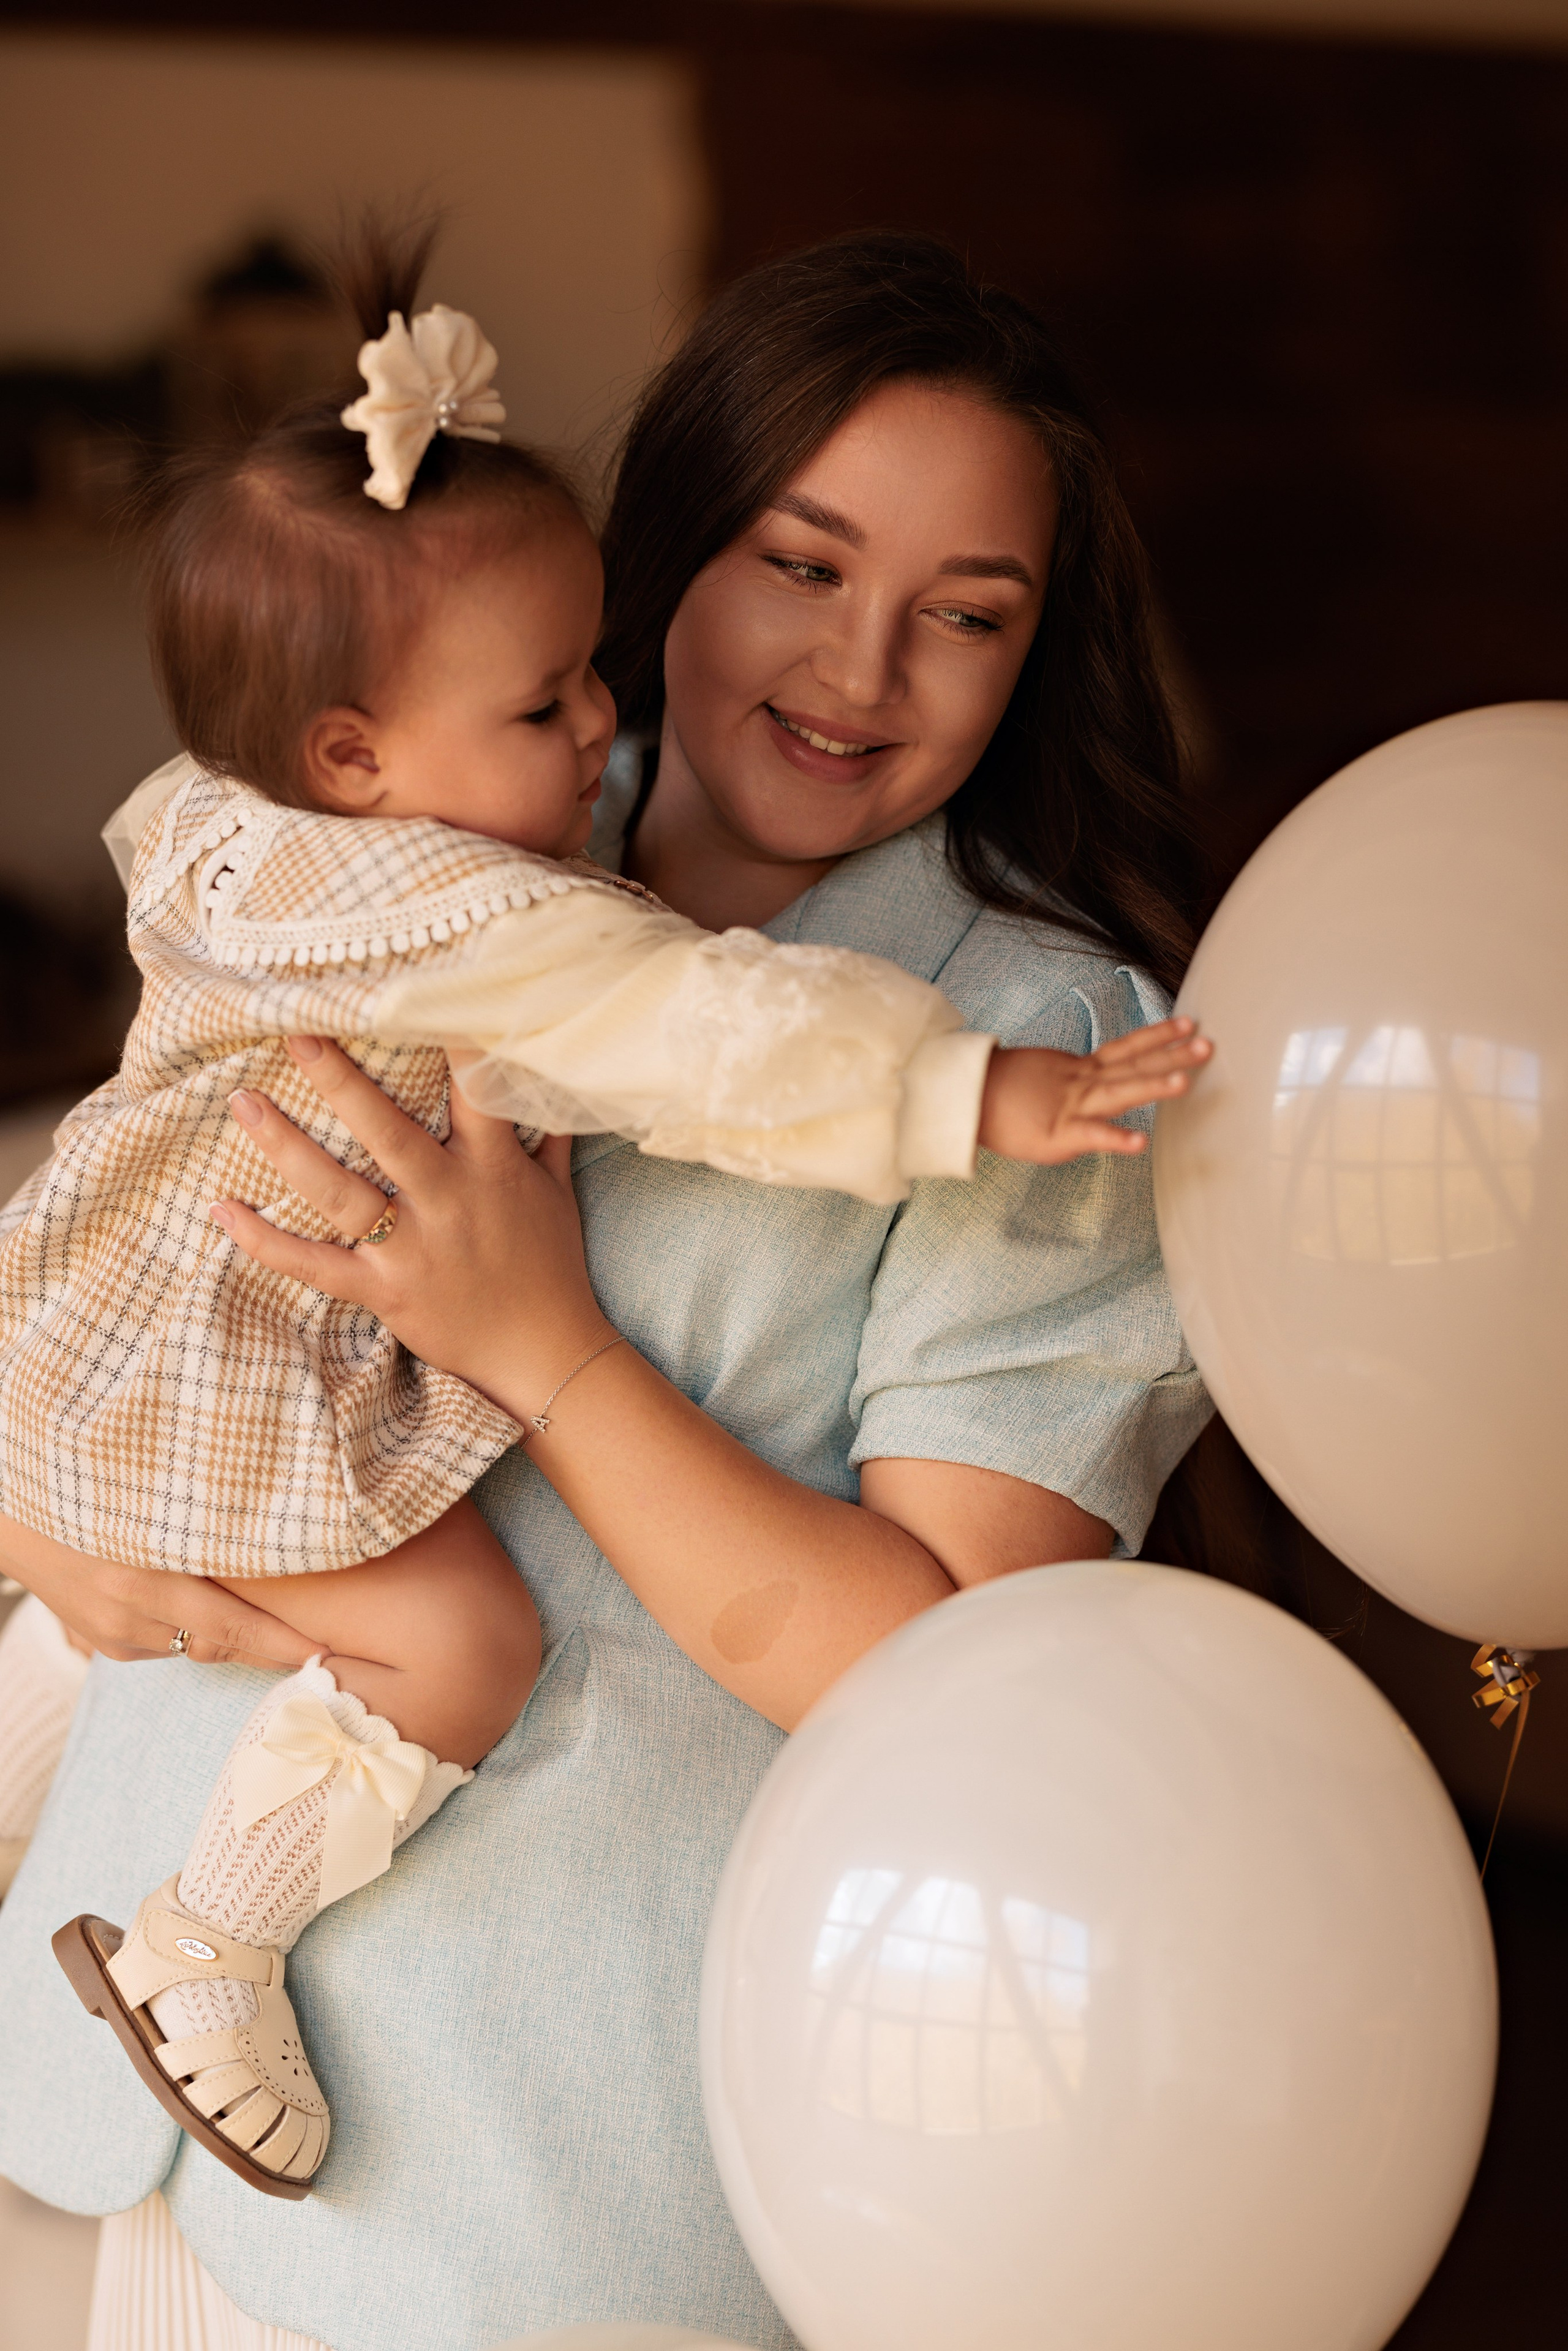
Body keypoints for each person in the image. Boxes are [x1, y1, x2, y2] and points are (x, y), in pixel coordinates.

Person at [0, 231, 1214, 2350]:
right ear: (666, 550)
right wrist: (47, 1524)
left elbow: (932, 1679)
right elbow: (140, 1244)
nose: (863, 671)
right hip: (108, 2068)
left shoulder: (1045, 1057)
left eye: (969, 616)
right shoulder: (430, 841)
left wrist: (547, 1347)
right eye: (804, 564)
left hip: (528, 2177)